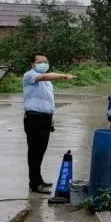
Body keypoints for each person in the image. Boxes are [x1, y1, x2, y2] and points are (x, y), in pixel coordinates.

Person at [22, 53, 75, 194]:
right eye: (40, 62)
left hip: (45, 118)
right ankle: (35, 183)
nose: (44, 64)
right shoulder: (30, 75)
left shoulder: (47, 82)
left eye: (45, 61)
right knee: (34, 152)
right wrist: (64, 76)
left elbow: (48, 101)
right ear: (32, 64)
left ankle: (37, 179)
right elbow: (45, 76)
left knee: (40, 151)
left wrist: (51, 118)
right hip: (34, 118)